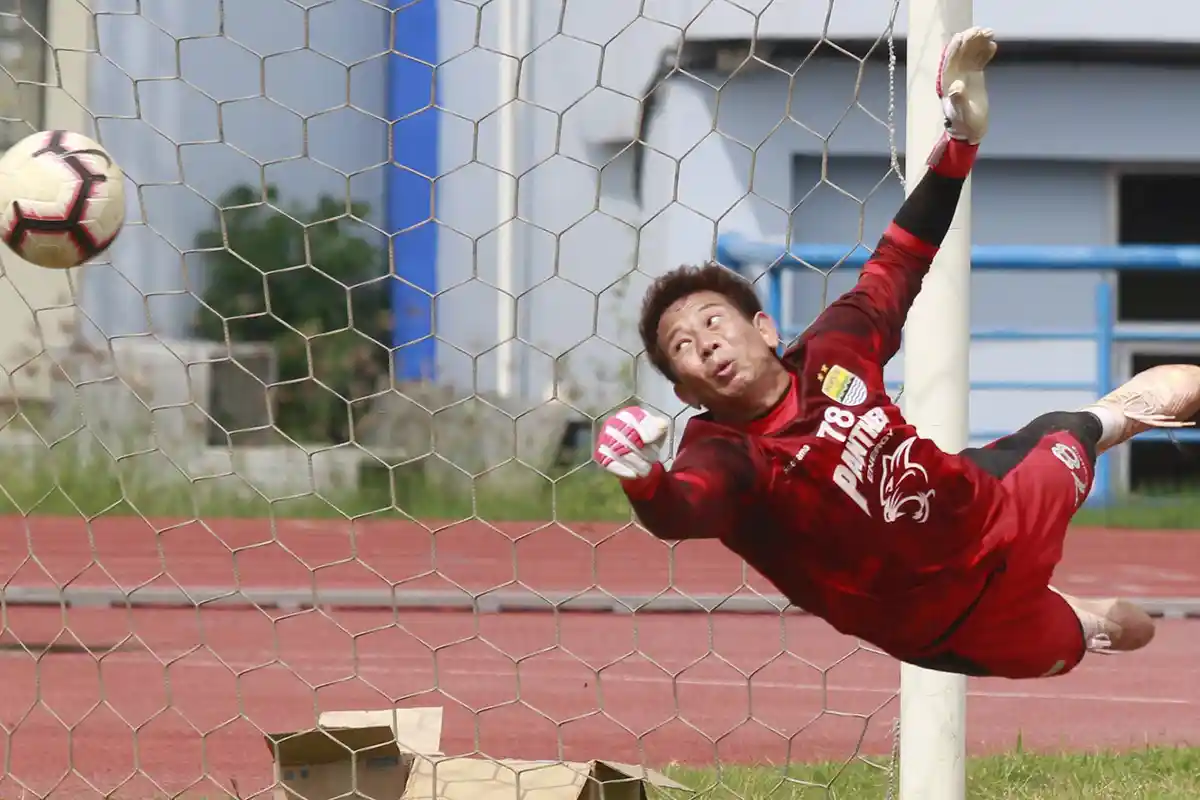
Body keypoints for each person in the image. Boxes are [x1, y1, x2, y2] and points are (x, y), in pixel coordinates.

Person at [591, 26, 1200, 680]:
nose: (706, 341)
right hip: (954, 626)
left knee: (1120, 412)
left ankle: (1109, 420)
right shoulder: (725, 457)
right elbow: (681, 510)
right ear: (686, 392)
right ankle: (1082, 619)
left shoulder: (835, 348)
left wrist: (960, 146)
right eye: (682, 346)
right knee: (1126, 630)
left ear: (764, 329)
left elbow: (901, 258)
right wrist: (644, 479)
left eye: (714, 320)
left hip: (996, 507)